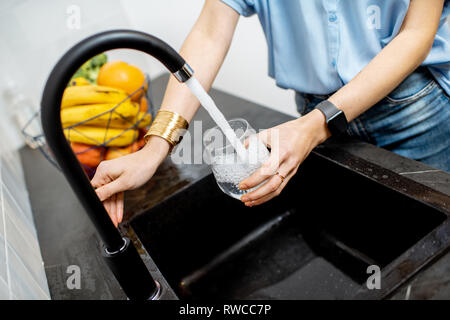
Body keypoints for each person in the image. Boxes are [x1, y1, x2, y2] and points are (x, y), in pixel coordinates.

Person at [91, 0, 450, 227]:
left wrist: (316, 125)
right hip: (312, 115)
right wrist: (155, 148)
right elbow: (210, 33)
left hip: (413, 110)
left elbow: (416, 34)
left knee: (435, 240)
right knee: (361, 232)